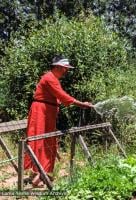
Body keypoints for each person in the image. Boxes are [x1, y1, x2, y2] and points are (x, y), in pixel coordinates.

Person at [24, 55, 93, 187]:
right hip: (41, 112)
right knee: (40, 142)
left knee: (47, 141)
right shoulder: (49, 78)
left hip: (47, 112)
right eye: (64, 68)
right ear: (57, 67)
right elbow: (62, 96)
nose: (66, 71)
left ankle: (39, 174)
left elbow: (59, 96)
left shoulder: (53, 78)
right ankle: (37, 176)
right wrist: (81, 104)